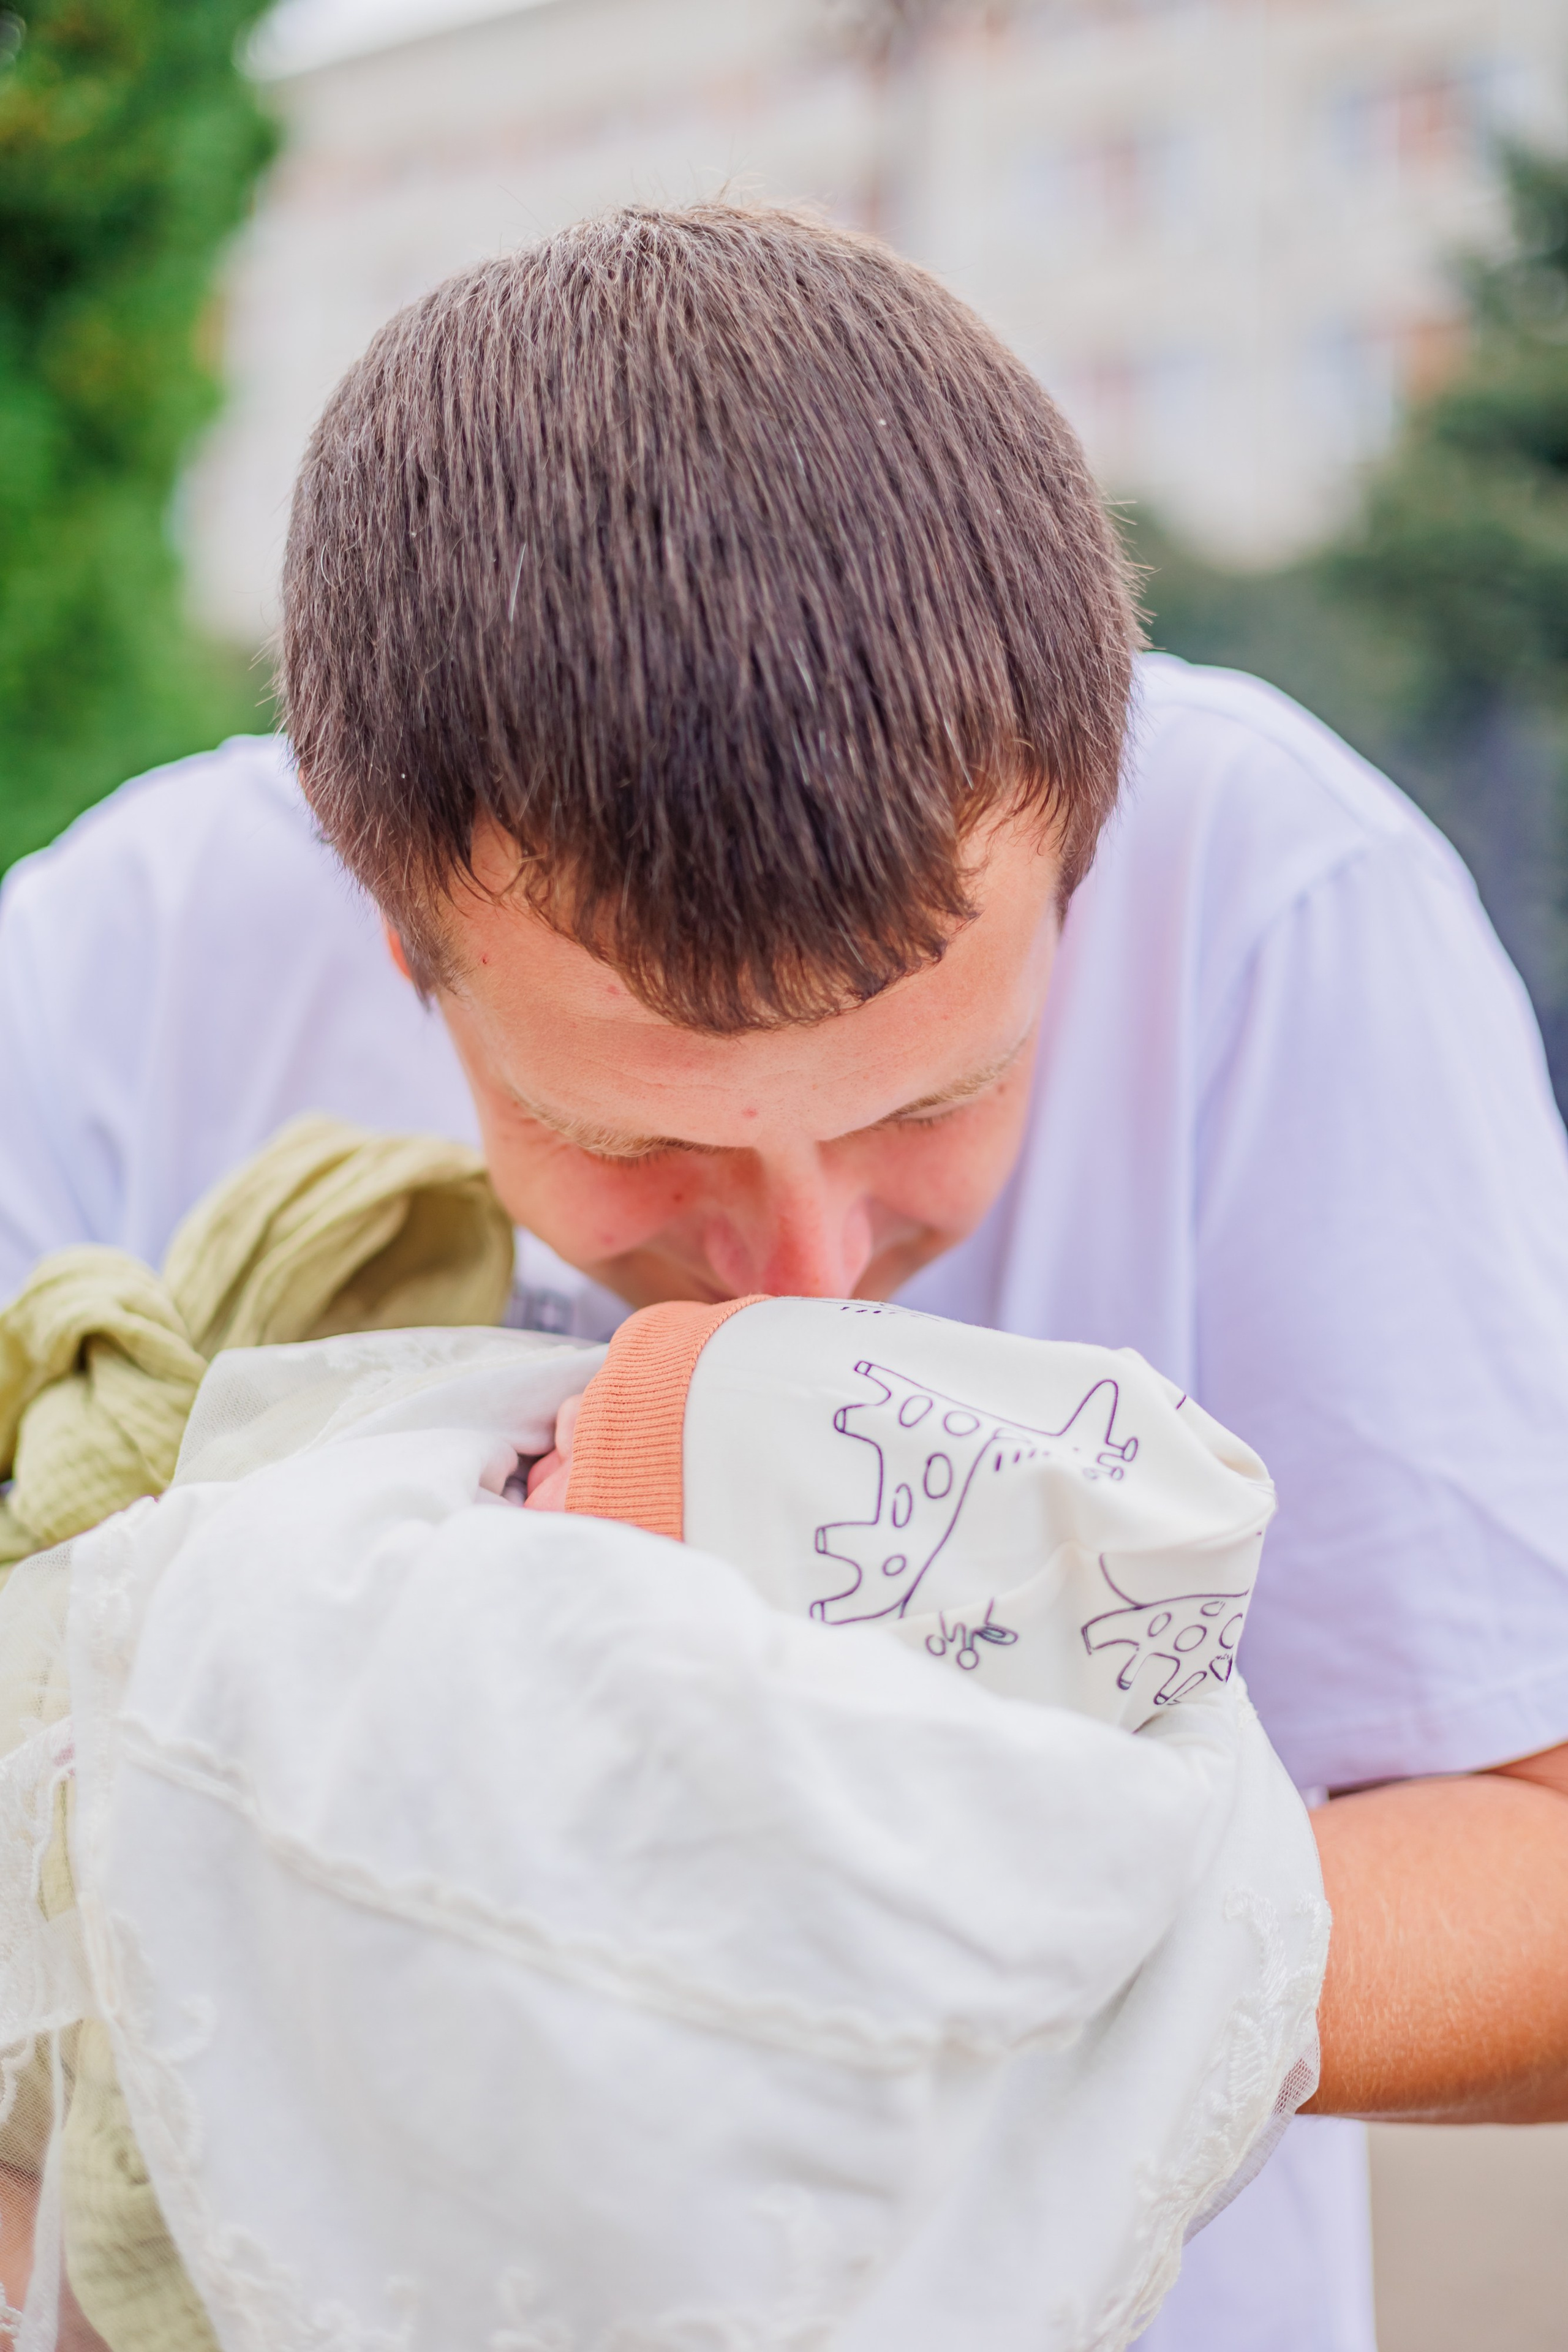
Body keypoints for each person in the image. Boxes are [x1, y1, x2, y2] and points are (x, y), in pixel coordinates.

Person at [2, 201, 1568, 2352]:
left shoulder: (1292, 905)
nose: (809, 1272)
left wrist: (1040, 1943)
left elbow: (1541, 1859)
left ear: (1086, 854)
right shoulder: (110, 973)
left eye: (943, 1098)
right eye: (639, 1138)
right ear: (390, 928)